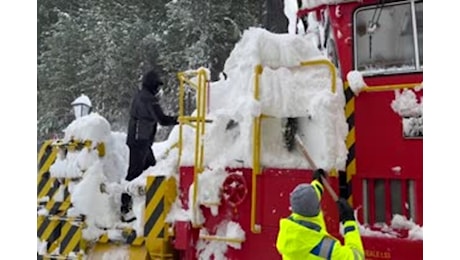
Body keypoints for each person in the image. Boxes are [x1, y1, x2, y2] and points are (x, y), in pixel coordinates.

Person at [121, 69, 179, 222]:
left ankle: (146, 205)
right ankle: (125, 207)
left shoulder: (141, 96)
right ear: (152, 85)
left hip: (139, 139)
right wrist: (179, 119)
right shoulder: (148, 99)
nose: (159, 90)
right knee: (135, 172)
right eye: (158, 86)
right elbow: (162, 119)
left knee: (152, 169)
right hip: (141, 139)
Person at [276, 169, 364, 259]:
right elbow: (356, 257)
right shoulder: (324, 249)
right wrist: (349, 223)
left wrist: (318, 183)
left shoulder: (291, 229)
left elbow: (308, 200)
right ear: (317, 207)